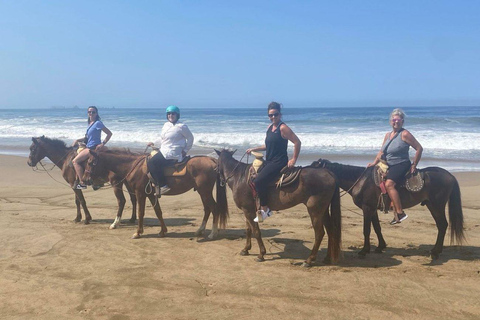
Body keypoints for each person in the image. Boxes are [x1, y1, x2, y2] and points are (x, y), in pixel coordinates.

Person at [246, 102, 301, 223]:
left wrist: (293, 159)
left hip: (279, 162)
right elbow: (267, 146)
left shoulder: (283, 128)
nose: (273, 117)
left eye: (275, 114)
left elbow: (297, 142)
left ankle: (266, 210)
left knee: (258, 181)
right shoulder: (269, 128)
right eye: (270, 115)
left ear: (280, 115)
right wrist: (253, 149)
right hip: (269, 160)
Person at [367, 108, 423, 225]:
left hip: (401, 164)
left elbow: (419, 148)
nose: (395, 122)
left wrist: (414, 164)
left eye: (398, 119)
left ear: (402, 121)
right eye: (393, 119)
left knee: (389, 184)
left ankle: (400, 212)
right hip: (388, 164)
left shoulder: (405, 134)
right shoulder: (388, 135)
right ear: (390, 121)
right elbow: (381, 152)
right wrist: (373, 163)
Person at [147, 105, 194, 196]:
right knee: (148, 158)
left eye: (173, 114)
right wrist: (153, 142)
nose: (171, 115)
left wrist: (185, 150)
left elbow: (190, 138)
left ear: (177, 115)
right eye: (169, 114)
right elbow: (162, 138)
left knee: (152, 162)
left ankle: (163, 185)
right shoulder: (166, 125)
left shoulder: (182, 126)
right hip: (164, 149)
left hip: (173, 152)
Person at [72, 106, 112, 189]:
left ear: (96, 113)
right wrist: (77, 140)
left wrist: (102, 144)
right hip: (88, 146)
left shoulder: (98, 123)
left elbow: (109, 133)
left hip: (92, 148)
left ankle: (82, 183)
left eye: (93, 112)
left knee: (75, 161)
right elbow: (87, 138)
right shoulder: (90, 123)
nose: (91, 113)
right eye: (89, 112)